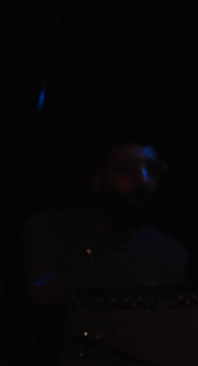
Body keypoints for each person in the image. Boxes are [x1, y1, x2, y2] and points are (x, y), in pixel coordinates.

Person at [22, 128, 186, 306]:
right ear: (98, 180)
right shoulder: (52, 231)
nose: (143, 180)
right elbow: (42, 307)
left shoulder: (169, 254)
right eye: (127, 168)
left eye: (152, 169)